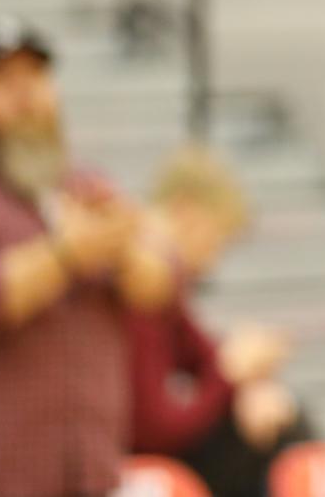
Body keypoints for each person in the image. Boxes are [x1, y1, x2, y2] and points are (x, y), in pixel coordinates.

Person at [0, 23, 177, 497]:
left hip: (87, 477)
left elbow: (163, 283)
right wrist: (65, 255)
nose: (25, 96)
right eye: (3, 81)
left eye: (36, 79)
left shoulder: (86, 187)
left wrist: (124, 249)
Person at [128, 147, 312, 497]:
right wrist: (231, 377)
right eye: (216, 241)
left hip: (159, 449)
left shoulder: (165, 280)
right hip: (136, 459)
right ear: (185, 210)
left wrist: (248, 384)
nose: (213, 262)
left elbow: (206, 356)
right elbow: (156, 428)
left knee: (278, 415)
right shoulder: (146, 278)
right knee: (280, 434)